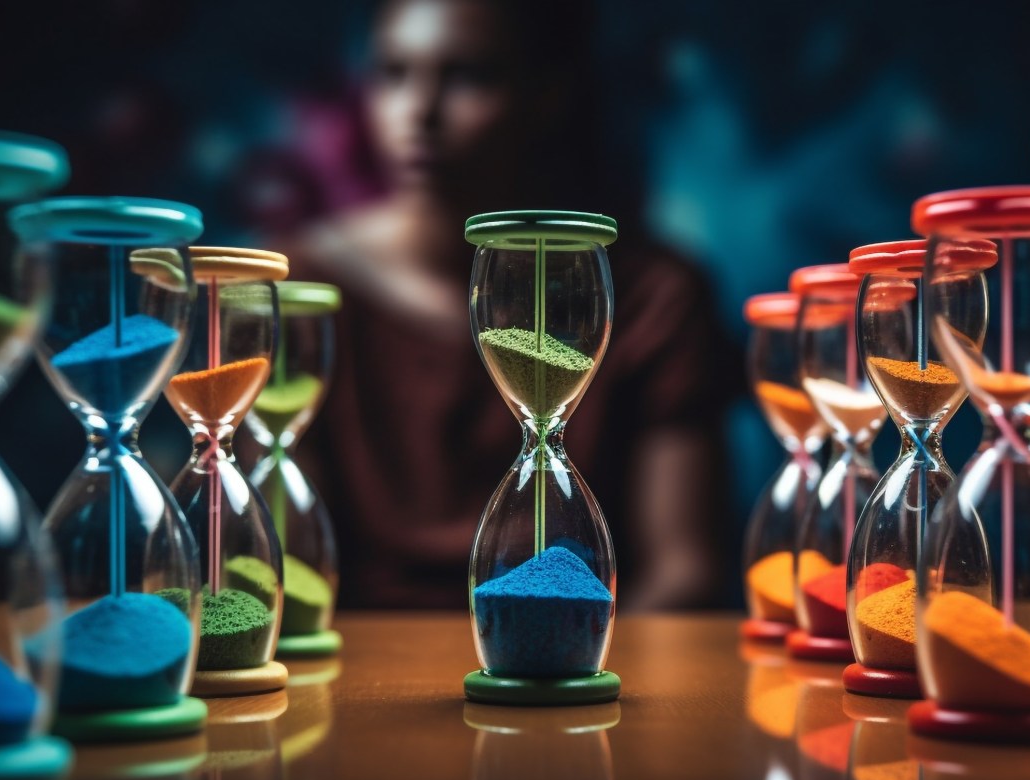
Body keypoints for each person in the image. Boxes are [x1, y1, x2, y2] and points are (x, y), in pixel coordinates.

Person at [271, 0, 737, 611]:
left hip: (594, 654)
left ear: (548, 92)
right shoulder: (300, 288)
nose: (422, 112)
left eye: (468, 76)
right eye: (394, 74)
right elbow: (288, 568)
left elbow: (686, 570)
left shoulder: (653, 292)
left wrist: (578, 664)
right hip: (359, 657)